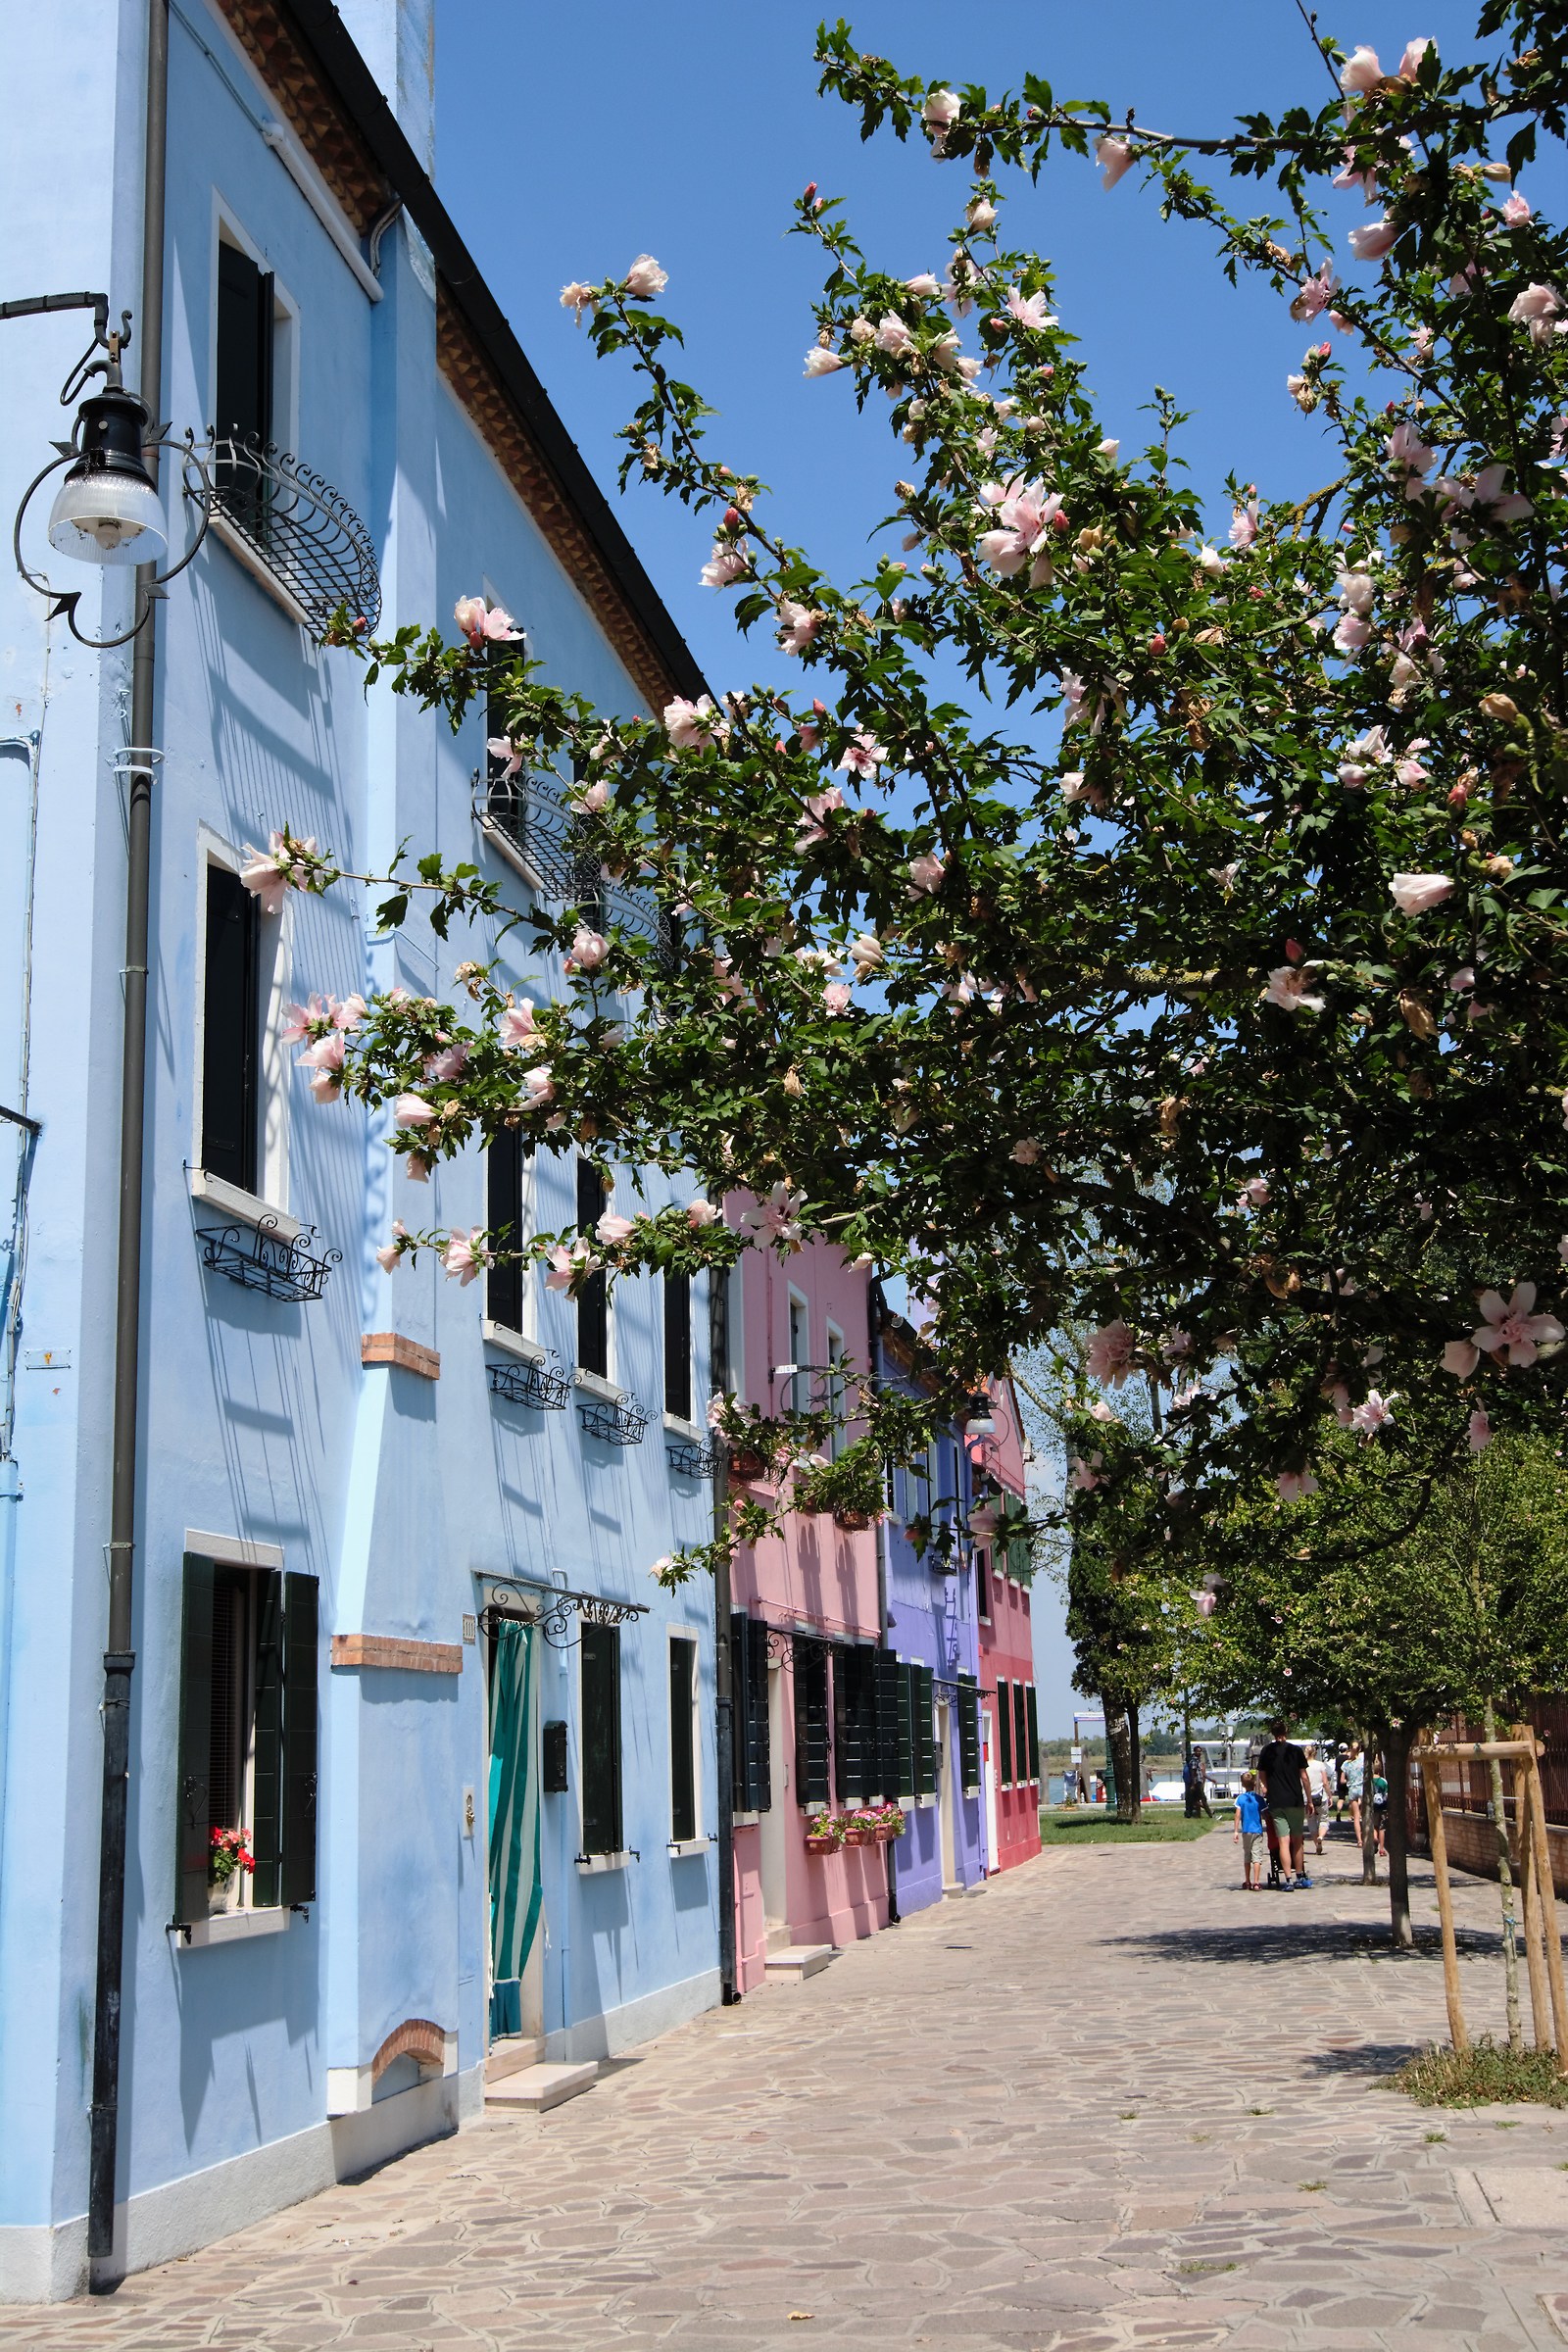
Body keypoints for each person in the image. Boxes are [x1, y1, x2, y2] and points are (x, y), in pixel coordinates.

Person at [1255, 1717, 1313, 1889]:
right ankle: (1300, 1876)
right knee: (1297, 1840)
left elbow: (1262, 1774)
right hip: (1295, 1799)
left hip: (1276, 1800)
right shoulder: (1295, 1751)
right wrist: (1309, 1799)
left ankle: (1287, 1880)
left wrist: (1266, 1787)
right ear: (1286, 1732)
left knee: (1283, 1841)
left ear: (1273, 1733)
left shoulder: (1267, 1751)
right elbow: (1304, 1777)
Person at [1234, 1770, 1265, 1891]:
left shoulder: (1240, 1799)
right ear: (1254, 1784)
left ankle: (1247, 1881)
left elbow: (1237, 1815)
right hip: (1257, 1830)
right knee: (1257, 1856)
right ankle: (1256, 1882)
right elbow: (1265, 1814)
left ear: (1242, 1785)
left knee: (1247, 1855)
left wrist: (1236, 1831)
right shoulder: (1258, 1799)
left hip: (1246, 1831)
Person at [1304, 1742, 1333, 1857]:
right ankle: (1321, 1836)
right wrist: (1329, 1795)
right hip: (1321, 1796)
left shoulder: (1302, 1766)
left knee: (1311, 1821)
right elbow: (1325, 1782)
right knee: (1324, 1819)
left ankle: (1317, 1843)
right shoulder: (1321, 1765)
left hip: (1307, 1797)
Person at [1345, 1741, 1365, 1847]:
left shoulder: (1346, 1764)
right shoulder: (1363, 1761)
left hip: (1352, 1789)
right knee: (1366, 1815)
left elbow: (1342, 1780)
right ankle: (1367, 1837)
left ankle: (1359, 1841)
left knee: (1356, 1817)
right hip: (1362, 1788)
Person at [1371, 1763, 1389, 1859]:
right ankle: (1382, 1849)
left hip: (1372, 1807)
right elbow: (1386, 1795)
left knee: (1374, 1825)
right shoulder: (1383, 1781)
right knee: (1382, 1828)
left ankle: (1374, 1838)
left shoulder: (1369, 1781)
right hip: (1382, 1807)